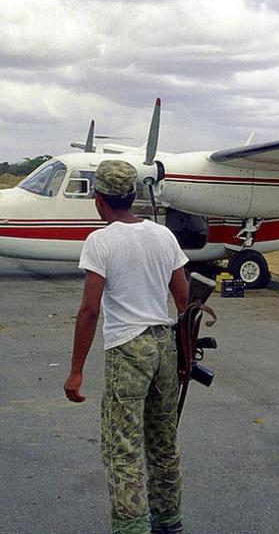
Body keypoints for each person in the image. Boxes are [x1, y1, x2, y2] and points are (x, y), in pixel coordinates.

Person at [63, 160, 189, 534]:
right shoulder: (163, 236)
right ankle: (169, 521)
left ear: (99, 200)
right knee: (164, 442)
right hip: (164, 345)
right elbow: (183, 299)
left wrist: (76, 370)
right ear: (132, 197)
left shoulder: (101, 241)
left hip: (127, 348)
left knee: (123, 449)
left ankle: (133, 527)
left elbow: (89, 310)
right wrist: (182, 353)